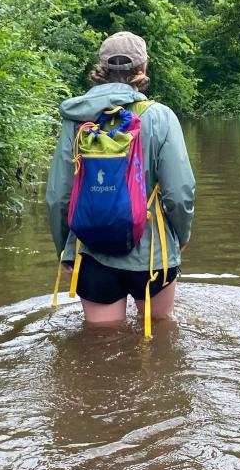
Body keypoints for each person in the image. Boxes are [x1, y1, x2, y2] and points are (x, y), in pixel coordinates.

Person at [46, 31, 195, 328]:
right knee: (162, 337)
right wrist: (181, 236)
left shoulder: (75, 120)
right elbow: (179, 192)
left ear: (101, 70)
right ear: (143, 69)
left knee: (100, 347)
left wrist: (65, 248)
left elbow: (59, 195)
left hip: (90, 250)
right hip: (153, 252)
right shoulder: (160, 116)